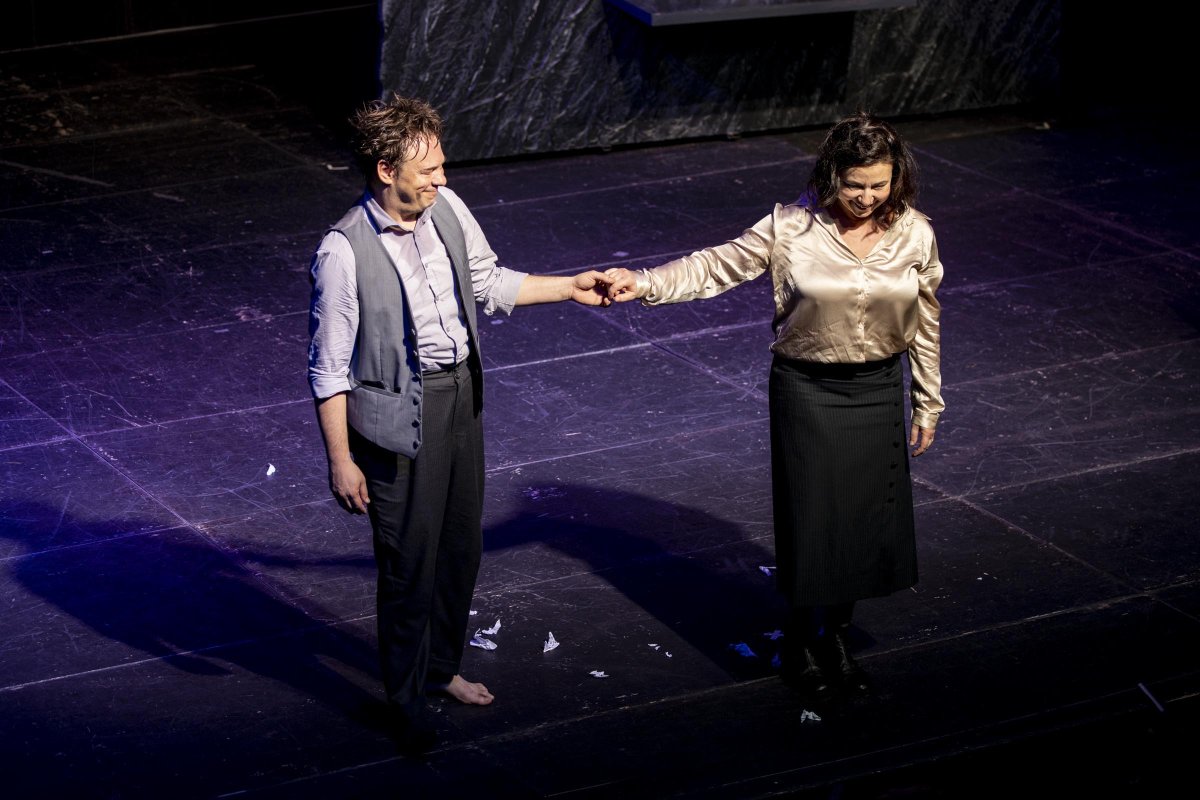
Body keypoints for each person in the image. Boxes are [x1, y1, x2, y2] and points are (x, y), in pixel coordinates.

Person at [307, 94, 612, 752]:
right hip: (395, 414)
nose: (441, 179)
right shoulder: (343, 251)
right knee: (409, 563)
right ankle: (406, 698)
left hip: (460, 397)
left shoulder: (447, 209)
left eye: (442, 166)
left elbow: (489, 283)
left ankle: (440, 668)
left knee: (458, 547)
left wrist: (569, 287)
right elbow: (329, 369)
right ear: (386, 170)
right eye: (428, 171)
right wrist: (341, 460)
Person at [605, 111, 943, 700]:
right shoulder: (791, 228)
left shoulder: (916, 233)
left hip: (876, 389)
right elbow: (715, 265)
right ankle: (801, 637)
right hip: (808, 389)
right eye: (854, 184)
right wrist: (645, 282)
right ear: (832, 175)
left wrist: (927, 400)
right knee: (814, 522)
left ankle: (837, 635)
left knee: (862, 521)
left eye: (879, 185)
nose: (867, 198)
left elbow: (927, 320)